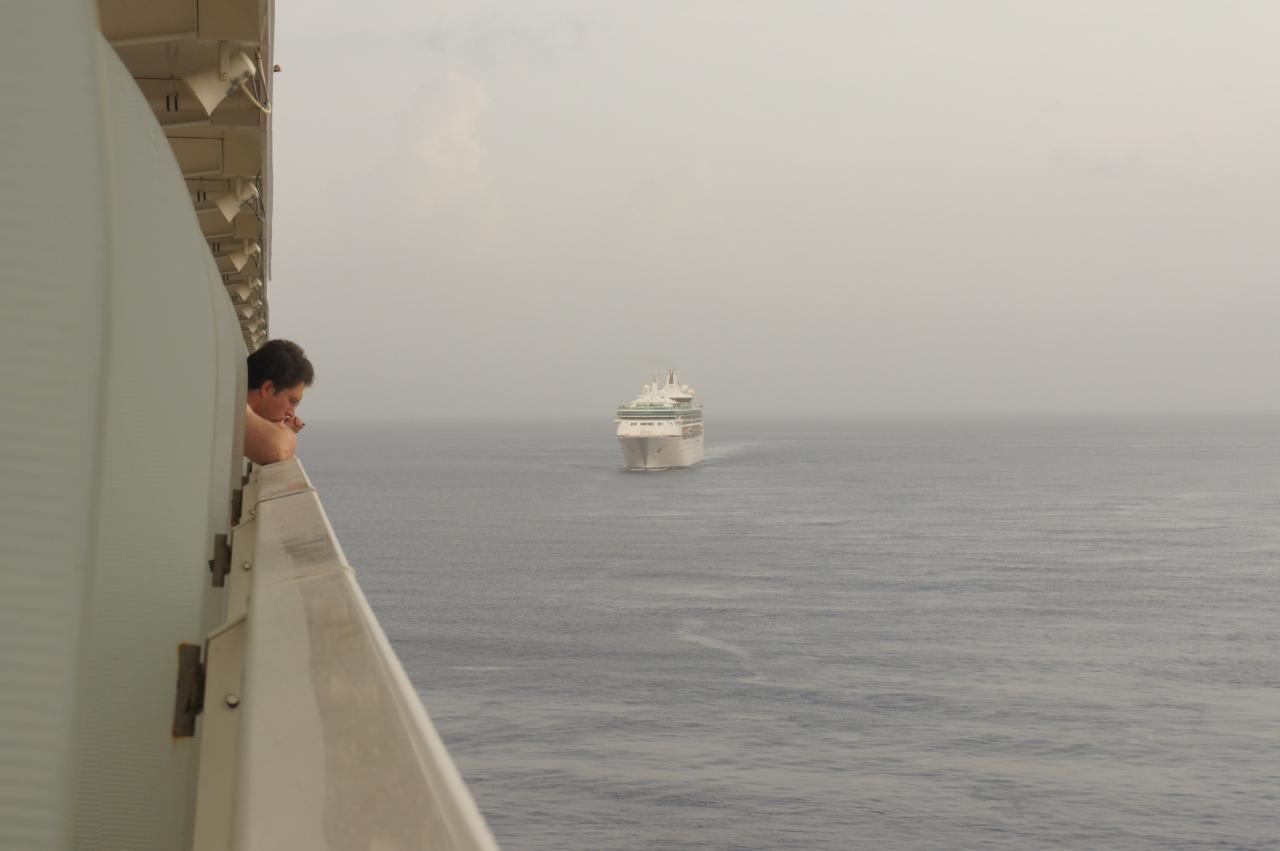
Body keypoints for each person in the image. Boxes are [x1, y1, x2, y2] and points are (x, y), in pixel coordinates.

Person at [243, 339, 314, 465]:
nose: (291, 413)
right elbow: (279, 450)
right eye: (292, 401)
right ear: (267, 388)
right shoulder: (234, 408)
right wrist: (285, 431)